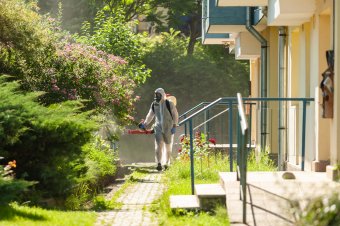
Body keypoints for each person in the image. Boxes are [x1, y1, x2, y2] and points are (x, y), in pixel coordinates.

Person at [139, 88, 178, 171]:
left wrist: (174, 125)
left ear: (162, 95)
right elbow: (150, 115)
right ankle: (159, 163)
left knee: (168, 146)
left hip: (169, 127)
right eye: (156, 94)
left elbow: (175, 115)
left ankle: (167, 163)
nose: (157, 96)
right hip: (158, 127)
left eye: (158, 95)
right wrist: (145, 124)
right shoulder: (154, 104)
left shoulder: (169, 103)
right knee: (159, 144)